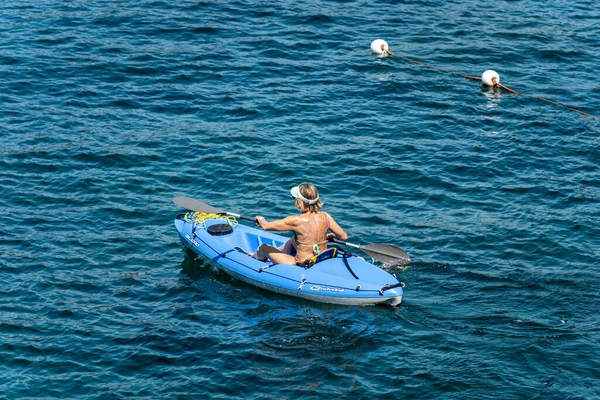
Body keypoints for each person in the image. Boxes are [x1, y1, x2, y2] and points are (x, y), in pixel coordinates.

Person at [253, 183, 348, 265]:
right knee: (294, 239)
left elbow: (266, 226)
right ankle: (282, 251)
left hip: (303, 263)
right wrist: (328, 236)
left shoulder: (296, 220)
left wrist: (260, 219)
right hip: (321, 258)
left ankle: (253, 258)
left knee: (263, 248)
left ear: (299, 201)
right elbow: (343, 236)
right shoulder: (326, 216)